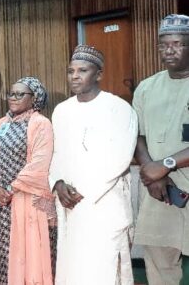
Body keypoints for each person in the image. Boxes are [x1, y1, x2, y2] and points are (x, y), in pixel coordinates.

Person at [49, 45, 137, 284]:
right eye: (71, 71)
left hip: (104, 202)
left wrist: (83, 190)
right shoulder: (61, 111)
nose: (75, 76)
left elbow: (120, 157)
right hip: (70, 203)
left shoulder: (119, 108)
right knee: (73, 267)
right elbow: (55, 153)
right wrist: (57, 183)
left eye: (82, 70)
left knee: (104, 268)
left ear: (98, 74)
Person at [134, 14, 189, 284]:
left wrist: (164, 165)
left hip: (177, 179)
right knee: (159, 264)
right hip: (161, 192)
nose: (169, 50)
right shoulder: (146, 87)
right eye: (163, 45)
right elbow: (137, 135)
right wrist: (150, 172)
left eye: (178, 43)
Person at [0, 77, 55, 285]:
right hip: (2, 201)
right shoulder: (2, 123)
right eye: (11, 93)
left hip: (28, 199)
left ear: (34, 98)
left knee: (31, 254)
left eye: (20, 94)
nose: (13, 98)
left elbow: (39, 164)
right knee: (5, 253)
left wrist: (8, 189)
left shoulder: (41, 124)